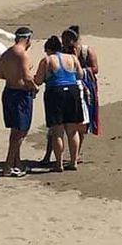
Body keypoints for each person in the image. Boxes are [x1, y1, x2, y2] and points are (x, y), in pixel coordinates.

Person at [34, 35, 84, 171]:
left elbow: (38, 80)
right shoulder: (72, 58)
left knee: (57, 132)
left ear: (49, 49)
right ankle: (73, 161)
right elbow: (80, 75)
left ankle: (59, 163)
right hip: (72, 92)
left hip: (55, 93)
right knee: (72, 130)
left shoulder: (47, 60)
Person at [0, 26, 39, 176]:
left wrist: (12, 75)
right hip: (20, 95)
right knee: (21, 131)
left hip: (8, 92)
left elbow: (0, 74)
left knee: (15, 130)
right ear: (27, 39)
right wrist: (35, 87)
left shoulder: (6, 53)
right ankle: (8, 165)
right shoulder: (23, 54)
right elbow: (27, 78)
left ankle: (16, 162)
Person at [64, 26, 100, 139]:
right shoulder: (61, 51)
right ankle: (49, 153)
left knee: (81, 122)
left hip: (85, 89)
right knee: (58, 124)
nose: (65, 43)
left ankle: (76, 153)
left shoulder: (86, 51)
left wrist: (79, 69)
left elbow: (95, 68)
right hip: (65, 87)